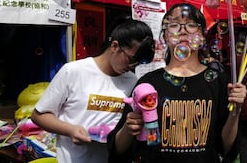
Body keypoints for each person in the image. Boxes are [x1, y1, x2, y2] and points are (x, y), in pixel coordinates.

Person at [107, 3, 247, 163]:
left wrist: (236, 111)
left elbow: (226, 148)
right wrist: (128, 128)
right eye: (174, 25)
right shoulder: (149, 82)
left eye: (191, 25)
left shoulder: (218, 81)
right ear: (166, 36)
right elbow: (118, 150)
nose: (183, 30)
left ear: (201, 36)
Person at [31, 18, 155, 163]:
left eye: (138, 62)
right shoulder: (73, 71)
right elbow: (39, 115)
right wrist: (70, 130)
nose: (133, 66)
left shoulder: (133, 82)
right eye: (130, 59)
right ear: (115, 46)